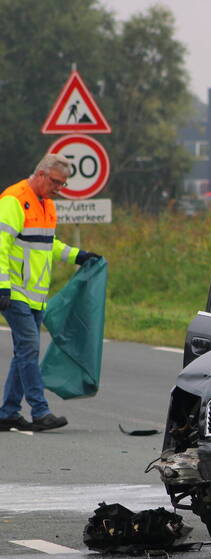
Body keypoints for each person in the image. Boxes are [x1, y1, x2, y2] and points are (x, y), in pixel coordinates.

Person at [0, 154, 101, 432]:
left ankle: (8, 412)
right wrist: (2, 285)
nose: (59, 188)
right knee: (29, 350)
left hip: (36, 295)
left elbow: (49, 244)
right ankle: (39, 411)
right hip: (14, 292)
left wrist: (78, 255)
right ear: (42, 174)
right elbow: (1, 244)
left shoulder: (47, 205)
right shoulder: (14, 200)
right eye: (56, 182)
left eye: (63, 184)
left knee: (24, 352)